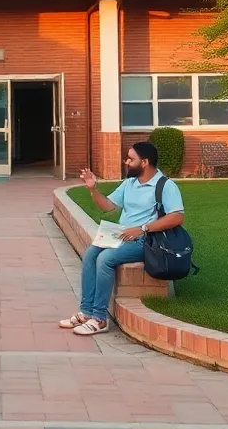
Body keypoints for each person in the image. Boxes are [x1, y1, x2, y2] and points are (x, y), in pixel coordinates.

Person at [61, 142, 184, 335]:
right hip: (120, 234)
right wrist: (93, 189)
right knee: (91, 254)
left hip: (146, 239)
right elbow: (108, 206)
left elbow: (177, 216)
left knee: (105, 259)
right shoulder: (130, 183)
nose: (126, 162)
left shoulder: (165, 185)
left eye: (130, 159)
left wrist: (142, 229)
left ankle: (100, 318)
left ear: (144, 162)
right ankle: (86, 312)